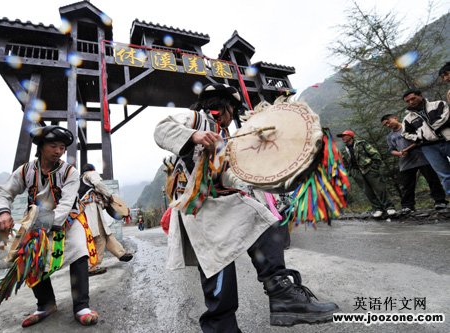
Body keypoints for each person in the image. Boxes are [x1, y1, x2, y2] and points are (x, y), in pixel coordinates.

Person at [154, 83, 338, 332]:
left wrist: (275, 179)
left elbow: (230, 176)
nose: (231, 117)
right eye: (232, 110)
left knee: (264, 221)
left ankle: (281, 294)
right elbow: (161, 129)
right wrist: (195, 136)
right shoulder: (195, 119)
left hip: (220, 206)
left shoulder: (226, 138)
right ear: (225, 106)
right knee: (219, 274)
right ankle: (222, 327)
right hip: (198, 211)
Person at [0, 125, 98, 327]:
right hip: (36, 222)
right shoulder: (25, 171)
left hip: (69, 219)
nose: (59, 151)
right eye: (53, 145)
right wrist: (3, 211)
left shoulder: (70, 172)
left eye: (62, 147)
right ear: (41, 147)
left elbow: (67, 204)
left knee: (78, 250)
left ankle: (81, 306)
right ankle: (45, 305)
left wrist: (44, 225)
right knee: (29, 256)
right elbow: (4, 192)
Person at [381, 114, 447, 213]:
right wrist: (399, 153)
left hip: (422, 157)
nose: (388, 125)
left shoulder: (408, 127)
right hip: (405, 162)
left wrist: (407, 149)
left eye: (388, 122)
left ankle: (440, 201)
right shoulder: (390, 136)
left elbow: (420, 139)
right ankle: (408, 206)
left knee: (432, 180)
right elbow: (391, 150)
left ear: (395, 118)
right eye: (385, 125)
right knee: (407, 185)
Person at [79, 163, 133, 276]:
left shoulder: (81, 181)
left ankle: (121, 253)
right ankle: (92, 266)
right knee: (99, 236)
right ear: (92, 170)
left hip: (89, 208)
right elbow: (98, 182)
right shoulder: (90, 174)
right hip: (90, 208)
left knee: (105, 233)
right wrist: (110, 194)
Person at [337, 130, 396, 218]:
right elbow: (344, 162)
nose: (343, 138)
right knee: (367, 191)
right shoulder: (344, 150)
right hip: (356, 172)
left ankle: (389, 207)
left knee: (379, 188)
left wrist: (375, 166)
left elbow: (374, 153)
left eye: (344, 136)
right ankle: (377, 209)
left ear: (350, 136)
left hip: (368, 168)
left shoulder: (361, 143)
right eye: (342, 136)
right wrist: (350, 172)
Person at [401, 89, 450, 194]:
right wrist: (420, 136)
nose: (411, 102)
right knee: (445, 174)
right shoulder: (408, 118)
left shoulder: (438, 104)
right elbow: (405, 134)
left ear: (420, 95)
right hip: (428, 147)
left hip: (447, 140)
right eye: (407, 101)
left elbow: (445, 117)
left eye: (413, 98)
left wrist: (428, 130)